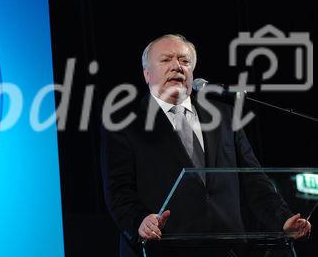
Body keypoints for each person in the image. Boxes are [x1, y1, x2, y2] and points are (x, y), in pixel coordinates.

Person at [101, 34, 311, 257]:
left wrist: (283, 219)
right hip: (163, 249)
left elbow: (254, 180)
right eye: (166, 60)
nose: (176, 66)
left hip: (226, 249)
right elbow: (119, 191)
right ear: (147, 73)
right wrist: (139, 221)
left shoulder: (224, 116)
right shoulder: (124, 123)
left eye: (184, 61)